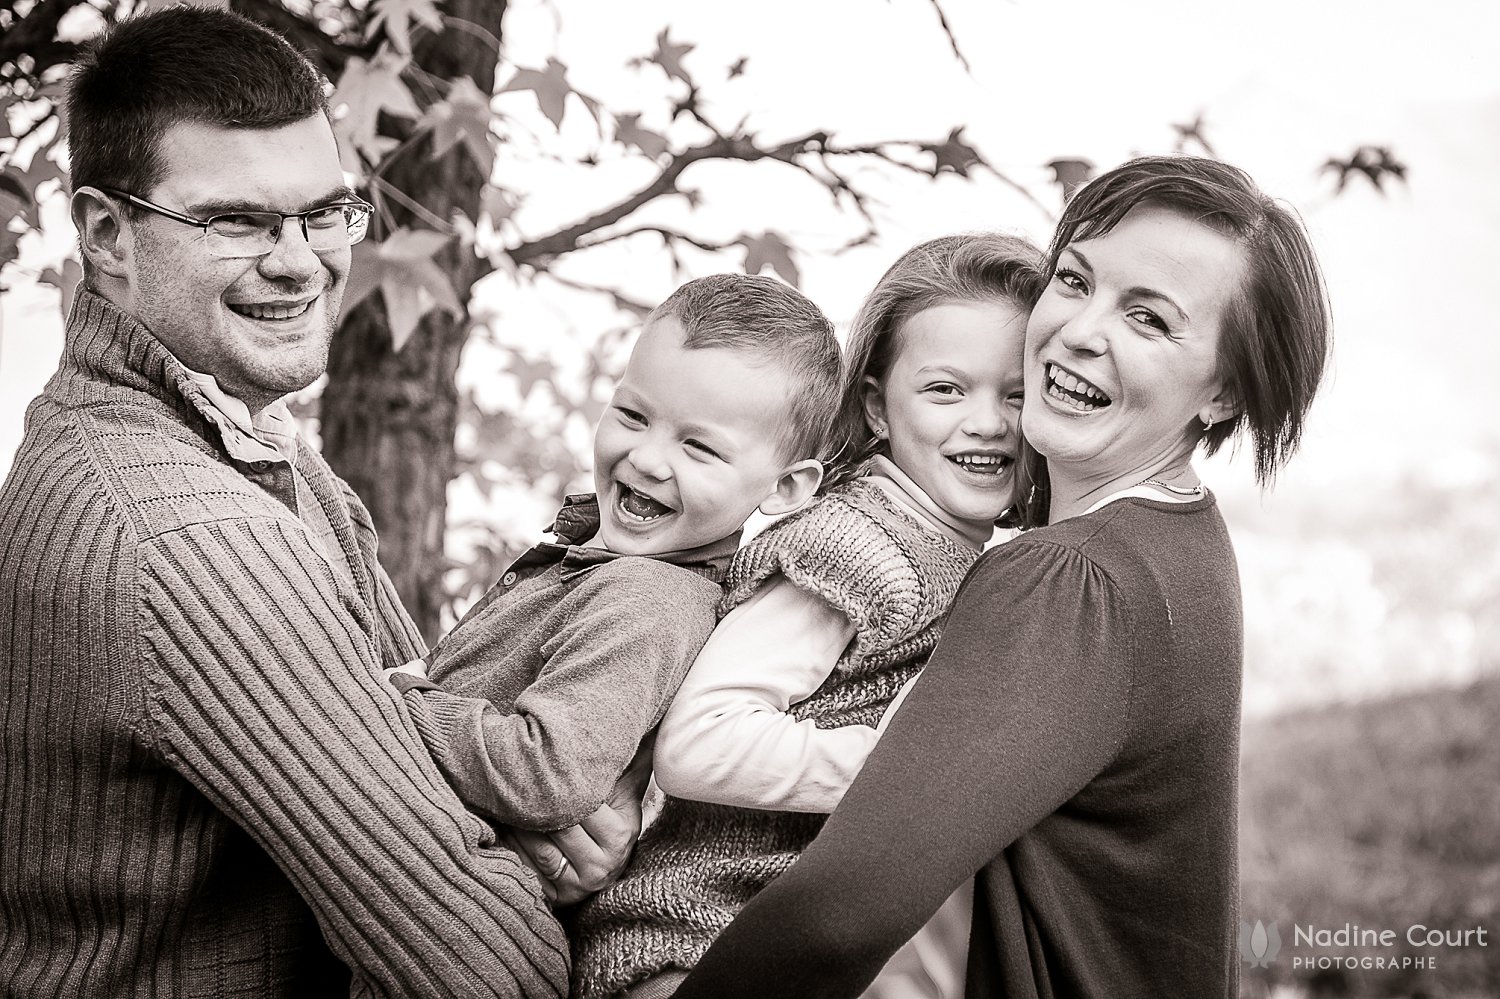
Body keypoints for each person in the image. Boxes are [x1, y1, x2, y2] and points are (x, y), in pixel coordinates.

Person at [0, 9, 571, 996]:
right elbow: (485, 967)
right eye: (237, 222)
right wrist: (568, 855)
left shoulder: (246, 456)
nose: (302, 261)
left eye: (325, 213)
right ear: (105, 232)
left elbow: (427, 728)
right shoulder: (188, 532)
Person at [669, 155, 1333, 999]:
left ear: (1226, 391)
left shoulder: (1071, 578)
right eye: (1075, 279)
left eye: (1149, 319)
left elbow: (837, 916)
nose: (1081, 330)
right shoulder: (1186, 541)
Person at [570, 233, 1045, 999]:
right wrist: (904, 767)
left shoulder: (952, 549)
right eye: (945, 390)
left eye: (1014, 393)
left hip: (785, 948)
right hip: (693, 941)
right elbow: (700, 740)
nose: (986, 422)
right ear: (875, 407)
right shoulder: (857, 543)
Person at [385, 274, 840, 903]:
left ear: (785, 489)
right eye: (632, 414)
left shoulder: (650, 601)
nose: (648, 459)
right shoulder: (594, 564)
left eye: (700, 447)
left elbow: (548, 773)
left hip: (457, 909)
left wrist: (388, 699)